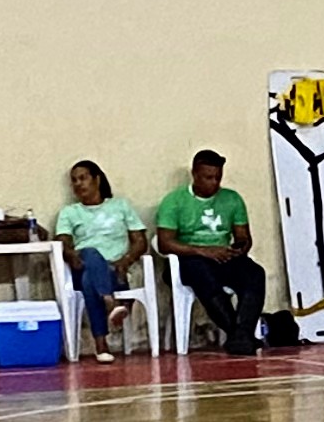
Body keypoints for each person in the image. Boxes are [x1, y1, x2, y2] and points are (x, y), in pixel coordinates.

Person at [149, 148, 265, 356]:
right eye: (208, 178)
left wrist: (239, 248)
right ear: (194, 174)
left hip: (223, 257)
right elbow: (165, 244)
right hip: (189, 259)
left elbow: (243, 237)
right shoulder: (174, 201)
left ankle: (240, 336)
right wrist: (203, 251)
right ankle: (240, 336)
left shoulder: (232, 199)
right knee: (202, 274)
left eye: (218, 177)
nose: (214, 183)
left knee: (255, 274)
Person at [48, 160, 142, 359]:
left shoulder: (120, 206)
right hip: (82, 264)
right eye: (74, 180)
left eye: (83, 178)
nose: (78, 184)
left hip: (117, 271)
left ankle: (101, 344)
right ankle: (109, 301)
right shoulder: (69, 212)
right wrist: (70, 254)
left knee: (89, 281)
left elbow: (141, 242)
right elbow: (63, 242)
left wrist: (125, 261)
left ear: (97, 180)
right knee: (90, 253)